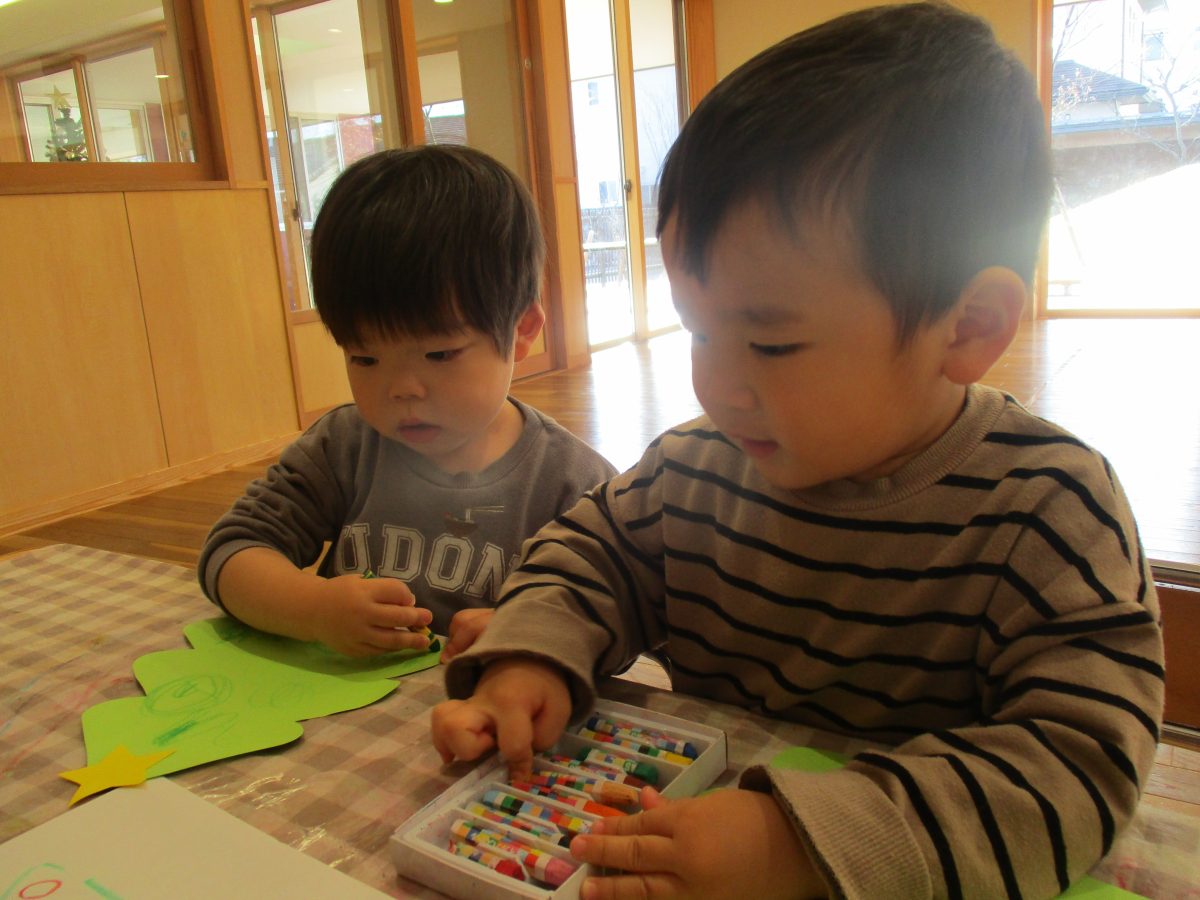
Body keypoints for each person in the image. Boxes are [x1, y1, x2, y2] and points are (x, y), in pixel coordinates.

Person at [430, 5, 1165, 898]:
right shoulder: (696, 471)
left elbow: (1078, 768)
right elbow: (590, 556)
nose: (719, 386)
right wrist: (532, 657)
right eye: (699, 331)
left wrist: (799, 845)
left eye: (772, 344)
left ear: (968, 326)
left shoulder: (1049, 510)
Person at [198, 145, 616, 661]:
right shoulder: (343, 448)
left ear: (523, 329)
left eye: (439, 354)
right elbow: (231, 552)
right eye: (365, 358)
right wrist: (312, 608)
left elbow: (619, 621)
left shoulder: (572, 485)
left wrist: (537, 631)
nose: (401, 389)